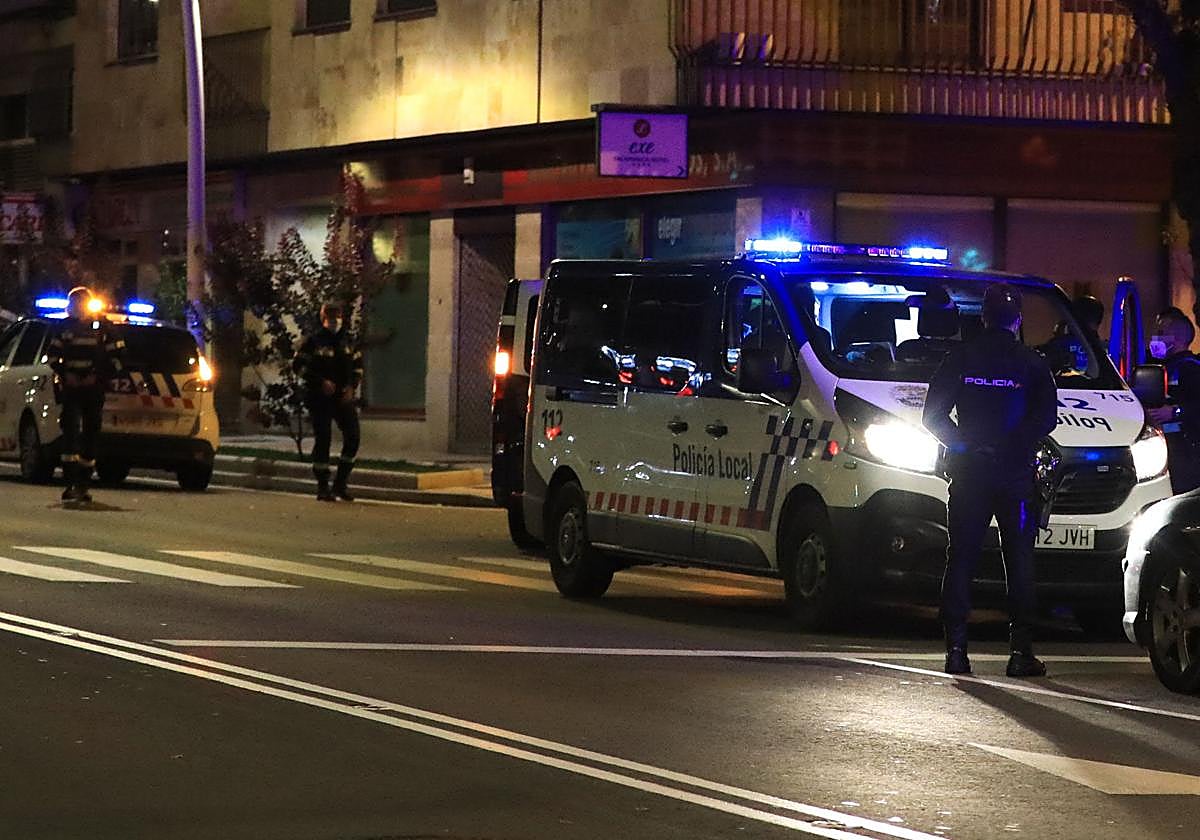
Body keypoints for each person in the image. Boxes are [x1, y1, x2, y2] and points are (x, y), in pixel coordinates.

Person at [922, 283, 1058, 678]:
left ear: (983, 317)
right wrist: (1012, 443)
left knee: (961, 557)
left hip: (969, 475)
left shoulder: (960, 358)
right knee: (1018, 559)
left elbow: (932, 416)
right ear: (1016, 320)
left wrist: (966, 445)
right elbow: (1046, 418)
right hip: (1014, 475)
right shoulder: (1031, 363)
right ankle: (1020, 653)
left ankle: (957, 650)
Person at [47, 287, 124, 504]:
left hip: (93, 390)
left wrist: (98, 377)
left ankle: (83, 484)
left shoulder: (104, 328)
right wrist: (66, 374)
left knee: (91, 434)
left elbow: (118, 358)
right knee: (70, 434)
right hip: (71, 390)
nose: (77, 308)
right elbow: (52, 356)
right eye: (74, 304)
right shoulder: (64, 328)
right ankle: (70, 483)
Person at [294, 301, 363, 502]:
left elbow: (357, 366)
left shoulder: (349, 340)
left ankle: (340, 484)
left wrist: (352, 387)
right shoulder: (313, 341)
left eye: (337, 315)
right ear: (323, 317)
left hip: (343, 397)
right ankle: (323, 486)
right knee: (323, 439)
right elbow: (299, 366)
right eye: (330, 316)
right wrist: (320, 382)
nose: (334, 320)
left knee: (353, 437)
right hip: (320, 398)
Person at [1145, 307, 1200, 493]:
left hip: (1187, 451)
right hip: (1165, 447)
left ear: (1177, 338)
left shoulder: (1191, 368)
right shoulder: (1163, 367)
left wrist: (1175, 412)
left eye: (1161, 333)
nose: (1155, 338)